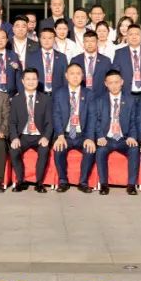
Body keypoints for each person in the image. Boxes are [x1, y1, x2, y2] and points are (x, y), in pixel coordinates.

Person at [92, 70, 140, 195]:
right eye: (111, 83)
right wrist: (100, 136)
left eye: (116, 82)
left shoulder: (130, 100)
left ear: (122, 82)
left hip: (124, 138)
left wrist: (132, 136)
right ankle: (104, 184)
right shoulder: (99, 100)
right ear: (106, 84)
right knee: (100, 151)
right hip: (107, 138)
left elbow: (134, 121)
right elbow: (96, 121)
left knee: (134, 149)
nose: (114, 86)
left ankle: (131, 185)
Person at [51, 63, 97, 193]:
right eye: (72, 73)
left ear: (83, 76)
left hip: (82, 135)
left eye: (78, 74)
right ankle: (63, 181)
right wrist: (60, 136)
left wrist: (89, 138)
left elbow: (92, 117)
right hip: (65, 134)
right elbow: (56, 115)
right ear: (66, 76)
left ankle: (83, 182)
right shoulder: (59, 93)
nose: (75, 77)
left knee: (90, 149)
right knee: (58, 148)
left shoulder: (89, 94)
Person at [9, 69, 53, 193]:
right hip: (23, 136)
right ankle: (20, 181)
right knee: (14, 151)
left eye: (34, 79)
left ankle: (39, 183)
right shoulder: (16, 100)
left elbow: (49, 122)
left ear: (38, 81)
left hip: (39, 136)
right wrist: (14, 138)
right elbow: (12, 122)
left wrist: (46, 137)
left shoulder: (45, 99)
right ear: (23, 81)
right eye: (28, 79)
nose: (31, 82)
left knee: (44, 151)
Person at [112, 23, 141, 97]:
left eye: (137, 34)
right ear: (127, 36)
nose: (134, 37)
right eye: (131, 34)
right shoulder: (119, 53)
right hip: (125, 94)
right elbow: (115, 74)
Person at [24, 26, 67, 96]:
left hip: (57, 94)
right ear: (40, 39)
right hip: (38, 94)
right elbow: (27, 77)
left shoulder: (62, 57)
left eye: (50, 38)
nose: (47, 41)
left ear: (54, 39)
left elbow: (65, 79)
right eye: (44, 38)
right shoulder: (31, 57)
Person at [70, 32, 112, 97]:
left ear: (97, 42)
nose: (89, 44)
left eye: (92, 41)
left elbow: (110, 81)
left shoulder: (106, 61)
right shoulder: (75, 60)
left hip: (100, 98)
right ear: (83, 43)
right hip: (80, 97)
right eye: (87, 41)